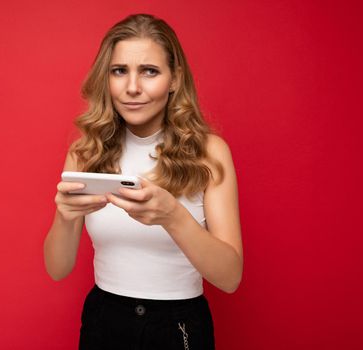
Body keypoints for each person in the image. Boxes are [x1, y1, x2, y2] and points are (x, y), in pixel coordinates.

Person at [43, 13, 243, 350]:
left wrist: (173, 216)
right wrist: (65, 216)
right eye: (119, 71)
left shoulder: (209, 152)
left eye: (149, 71)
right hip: (103, 321)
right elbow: (57, 269)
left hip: (179, 325)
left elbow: (230, 277)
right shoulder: (86, 152)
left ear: (175, 78)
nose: (133, 87)